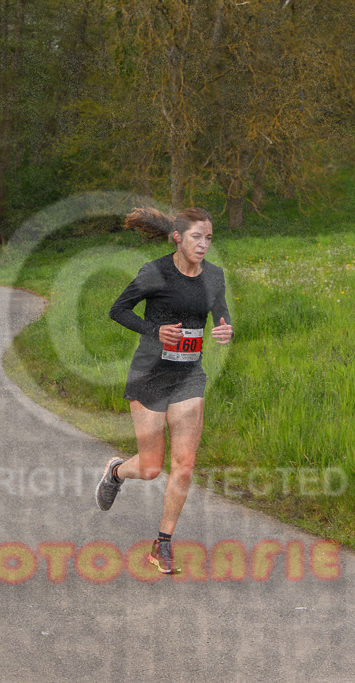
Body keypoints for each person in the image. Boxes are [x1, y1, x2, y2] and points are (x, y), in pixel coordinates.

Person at [95, 207, 233, 574]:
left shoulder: (214, 276)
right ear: (177, 237)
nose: (203, 245)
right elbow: (118, 310)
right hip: (150, 374)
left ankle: (163, 543)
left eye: (208, 238)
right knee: (152, 467)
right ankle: (117, 473)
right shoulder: (155, 272)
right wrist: (155, 331)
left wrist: (225, 328)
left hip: (189, 376)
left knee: (184, 465)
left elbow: (220, 311)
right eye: (196, 237)